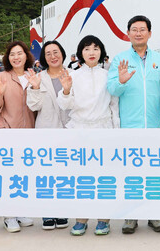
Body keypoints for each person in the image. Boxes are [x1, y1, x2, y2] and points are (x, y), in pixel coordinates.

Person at [107, 15, 160, 235]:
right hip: (129, 127)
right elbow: (112, 90)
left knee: (154, 172)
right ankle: (131, 216)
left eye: (142, 29)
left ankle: (154, 215)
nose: (138, 33)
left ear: (149, 33)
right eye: (134, 29)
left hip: (154, 126)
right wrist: (121, 81)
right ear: (128, 34)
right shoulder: (120, 60)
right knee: (131, 173)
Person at [57, 35, 119, 236]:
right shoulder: (73, 75)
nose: (91, 52)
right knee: (81, 177)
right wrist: (66, 90)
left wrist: (116, 132)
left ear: (101, 51)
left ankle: (103, 219)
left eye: (95, 48)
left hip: (103, 129)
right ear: (80, 53)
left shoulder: (108, 75)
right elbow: (64, 105)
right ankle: (81, 219)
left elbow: (114, 106)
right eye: (87, 49)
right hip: (80, 130)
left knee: (104, 177)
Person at [0, 40, 37, 233]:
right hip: (7, 130)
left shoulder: (33, 75)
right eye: (12, 54)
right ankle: (9, 216)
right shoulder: (1, 76)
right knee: (8, 174)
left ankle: (20, 211)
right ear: (7, 58)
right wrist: (0, 94)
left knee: (23, 174)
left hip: (29, 131)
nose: (16, 57)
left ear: (26, 55)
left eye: (19, 53)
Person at [26, 40, 70, 231]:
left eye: (56, 52)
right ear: (44, 58)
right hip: (46, 131)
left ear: (63, 53)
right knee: (46, 174)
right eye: (48, 53)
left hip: (69, 131)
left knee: (65, 175)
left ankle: (62, 211)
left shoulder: (73, 75)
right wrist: (35, 88)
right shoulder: (38, 78)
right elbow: (33, 106)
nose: (53, 56)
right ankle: (47, 213)